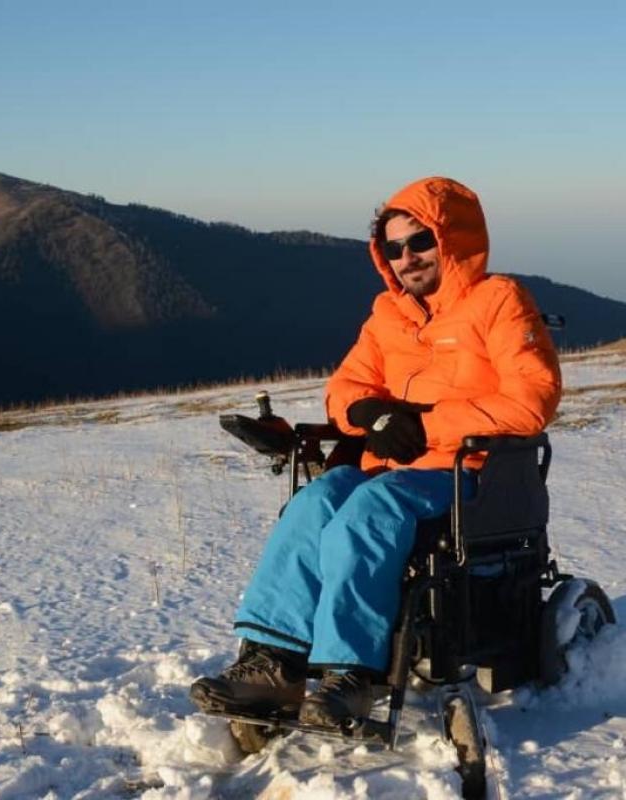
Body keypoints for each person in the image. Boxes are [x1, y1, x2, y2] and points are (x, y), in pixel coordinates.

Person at [190, 176, 562, 727]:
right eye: (395, 247)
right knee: (314, 502)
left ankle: (350, 677)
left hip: (472, 473)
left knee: (370, 510)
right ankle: (274, 663)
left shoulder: (498, 301)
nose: (407, 257)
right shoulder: (389, 315)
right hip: (390, 467)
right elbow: (346, 387)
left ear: (452, 240)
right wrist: (371, 414)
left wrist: (426, 425)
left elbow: (532, 399)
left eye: (420, 241)